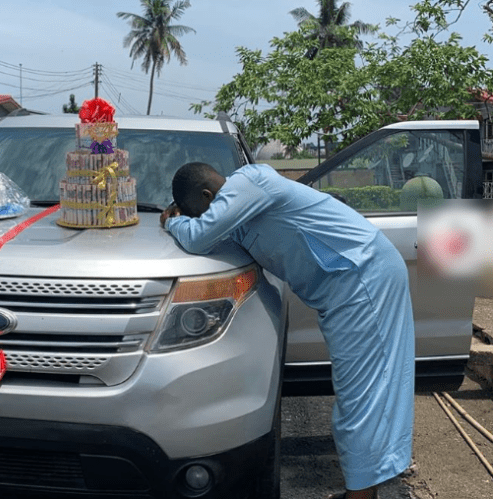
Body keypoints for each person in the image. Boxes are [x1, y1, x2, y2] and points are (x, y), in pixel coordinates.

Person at [160, 162, 415, 499]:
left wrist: (173, 221)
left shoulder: (251, 182)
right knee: (364, 392)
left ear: (208, 195)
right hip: (348, 288)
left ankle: (361, 496)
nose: (210, 218)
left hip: (363, 279)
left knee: (361, 397)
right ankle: (364, 491)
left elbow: (199, 237)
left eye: (203, 212)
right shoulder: (240, 215)